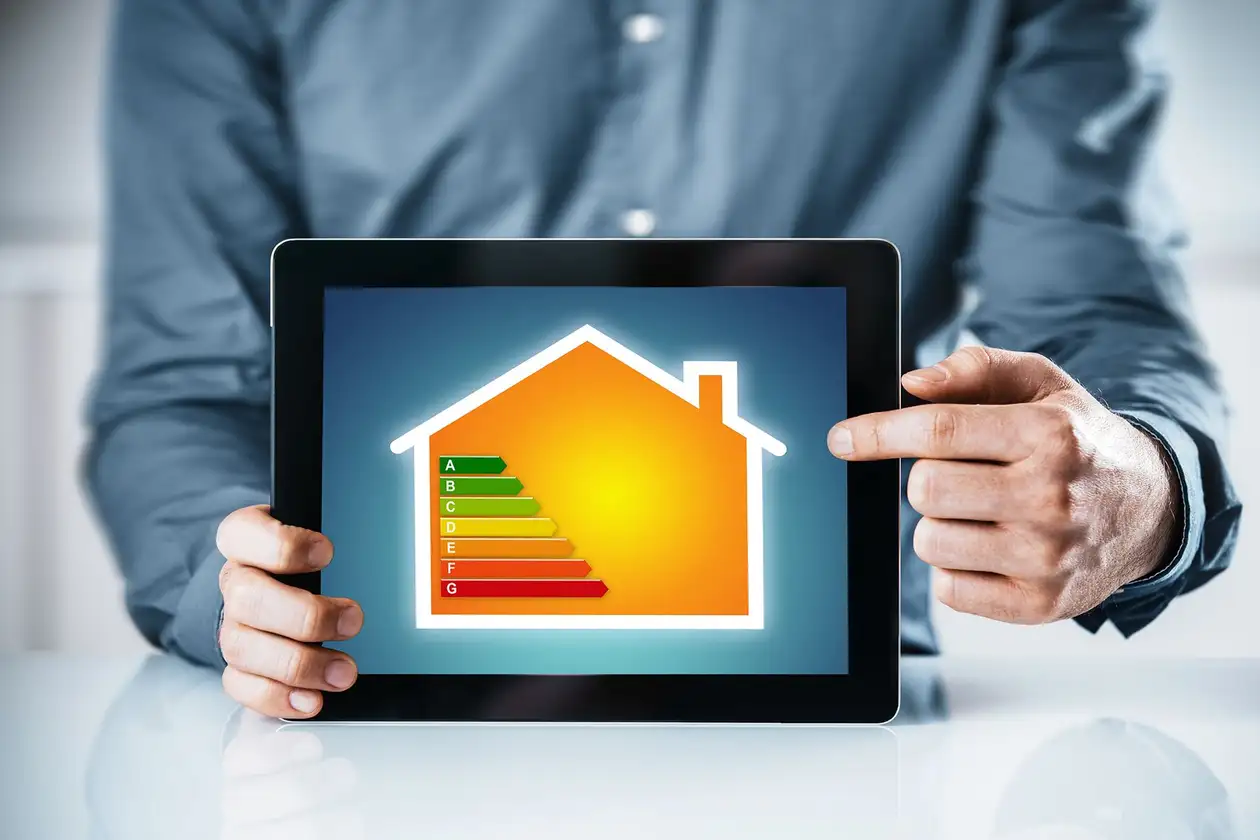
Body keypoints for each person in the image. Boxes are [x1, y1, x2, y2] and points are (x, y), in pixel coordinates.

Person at [87, 0, 1242, 718]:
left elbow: (1099, 308)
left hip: (832, 725)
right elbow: (184, 382)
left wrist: (1144, 484)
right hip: (373, 705)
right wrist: (234, 585)